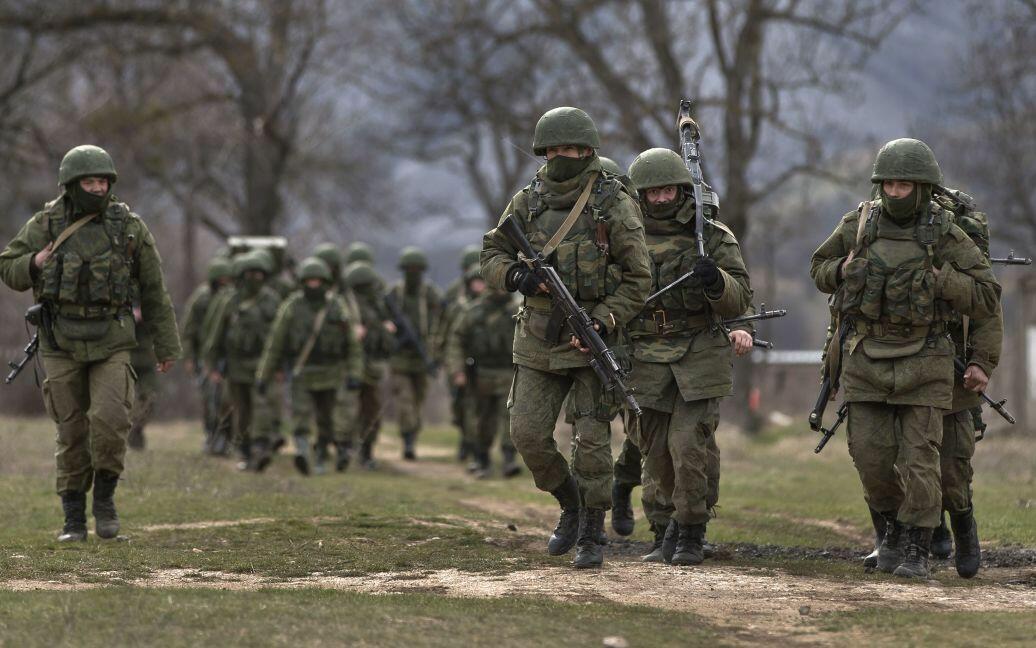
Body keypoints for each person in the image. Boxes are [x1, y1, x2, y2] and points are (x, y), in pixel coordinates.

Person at [810, 138, 1001, 579]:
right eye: (888, 184)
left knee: (924, 460)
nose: (894, 193)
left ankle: (918, 547)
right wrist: (841, 270)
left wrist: (942, 281)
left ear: (922, 187)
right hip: (867, 358)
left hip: (928, 356)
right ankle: (889, 534)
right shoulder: (859, 224)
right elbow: (819, 267)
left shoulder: (945, 232)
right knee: (871, 456)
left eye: (904, 185)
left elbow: (988, 295)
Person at [481, 106, 651, 568]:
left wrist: (603, 319)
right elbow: (492, 252)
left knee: (593, 442)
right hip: (538, 338)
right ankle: (569, 503)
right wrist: (517, 275)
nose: (561, 157)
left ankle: (593, 531)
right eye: (553, 150)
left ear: (588, 151)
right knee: (527, 434)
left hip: (594, 338)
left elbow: (639, 277)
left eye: (570, 150)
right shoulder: (528, 200)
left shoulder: (612, 202)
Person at [0, 144, 181, 541]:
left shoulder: (129, 227)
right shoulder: (46, 223)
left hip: (111, 340)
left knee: (112, 421)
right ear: (72, 184)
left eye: (102, 181)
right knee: (71, 430)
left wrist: (166, 346)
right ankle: (73, 518)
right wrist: (35, 263)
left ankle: (105, 499)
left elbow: (154, 290)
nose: (97, 188)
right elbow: (8, 267)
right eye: (89, 181)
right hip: (60, 341)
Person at [624, 147, 754, 565]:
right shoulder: (624, 236)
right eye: (652, 193)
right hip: (644, 354)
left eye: (668, 191)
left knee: (688, 444)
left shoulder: (713, 236)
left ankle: (691, 531)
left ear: (682, 190)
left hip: (699, 350)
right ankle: (665, 528)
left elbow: (740, 299)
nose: (660, 199)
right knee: (655, 449)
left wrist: (716, 281)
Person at [256, 257, 362, 475]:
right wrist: (263, 374)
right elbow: (274, 344)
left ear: (325, 281)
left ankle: (322, 454)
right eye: (309, 281)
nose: (313, 285)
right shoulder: (291, 307)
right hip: (302, 371)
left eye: (317, 281)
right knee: (301, 415)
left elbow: (352, 345)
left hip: (331, 372)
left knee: (327, 419)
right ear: (302, 282)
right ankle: (303, 452)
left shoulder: (337, 306)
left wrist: (354, 372)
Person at [203, 251, 282, 471]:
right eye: (249, 273)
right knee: (242, 411)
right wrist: (212, 365)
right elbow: (217, 334)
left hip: (262, 363)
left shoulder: (272, 300)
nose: (253, 277)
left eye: (258, 273)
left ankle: (261, 447)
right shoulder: (231, 301)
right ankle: (246, 451)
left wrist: (280, 365)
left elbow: (281, 334)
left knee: (262, 405)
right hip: (236, 365)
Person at [446, 266, 522, 478]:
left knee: (510, 417)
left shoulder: (518, 310)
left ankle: (509, 459)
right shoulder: (473, 312)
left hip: (509, 371)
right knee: (482, 419)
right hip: (481, 373)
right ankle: (482, 459)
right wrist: (457, 371)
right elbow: (456, 341)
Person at [388, 246, 442, 460]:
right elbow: (382, 316)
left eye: (416, 269)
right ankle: (407, 440)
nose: (413, 273)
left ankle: (412, 435)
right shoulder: (395, 294)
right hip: (400, 358)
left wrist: (435, 351)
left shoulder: (429, 294)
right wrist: (391, 329)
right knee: (405, 401)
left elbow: (441, 318)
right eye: (409, 269)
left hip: (422, 357)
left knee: (418, 401)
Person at [343, 260, 396, 469]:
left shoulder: (378, 306)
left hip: (372, 368)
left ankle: (366, 451)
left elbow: (388, 342)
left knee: (371, 412)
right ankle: (343, 447)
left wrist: (384, 330)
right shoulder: (346, 306)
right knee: (346, 410)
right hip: (349, 366)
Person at [182, 256, 233, 452]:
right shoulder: (201, 299)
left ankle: (226, 437)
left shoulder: (232, 297)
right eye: (221, 279)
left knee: (226, 400)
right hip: (206, 356)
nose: (224, 283)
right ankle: (212, 435)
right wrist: (189, 358)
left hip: (227, 356)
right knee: (210, 399)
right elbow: (189, 331)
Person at [438, 244, 483, 461]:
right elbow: (445, 329)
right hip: (456, 358)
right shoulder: (454, 296)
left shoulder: (489, 296)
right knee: (458, 404)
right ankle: (465, 437)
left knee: (474, 405)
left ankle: (472, 444)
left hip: (480, 362)